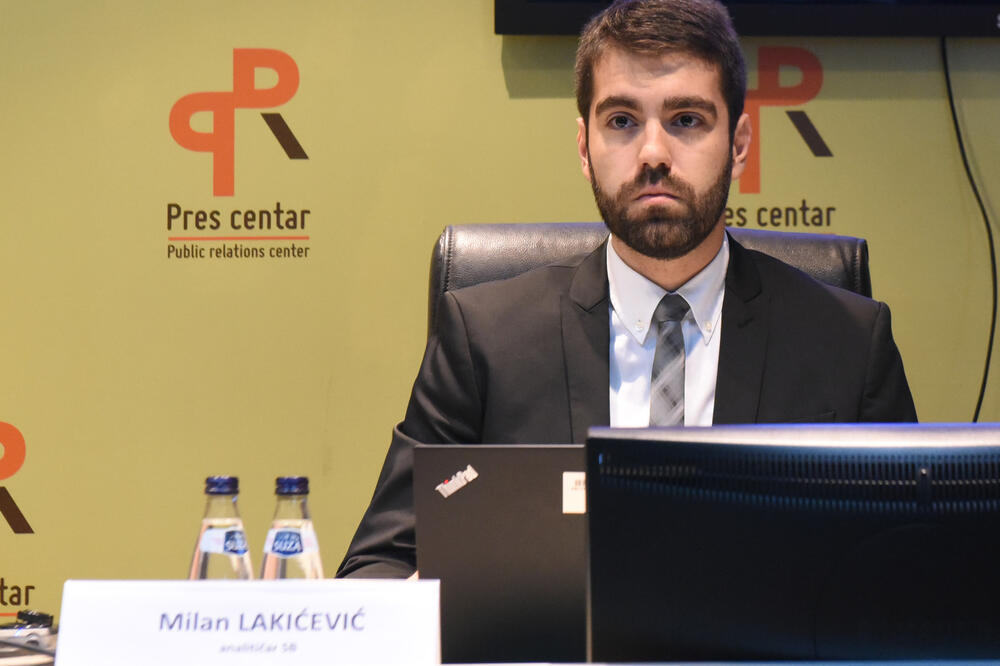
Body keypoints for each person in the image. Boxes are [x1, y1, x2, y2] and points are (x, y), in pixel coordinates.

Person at [337, 0, 917, 579]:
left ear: (740, 144)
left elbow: (915, 576)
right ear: (584, 148)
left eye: (686, 120)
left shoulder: (847, 345)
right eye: (621, 121)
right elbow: (378, 566)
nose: (653, 154)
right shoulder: (485, 341)